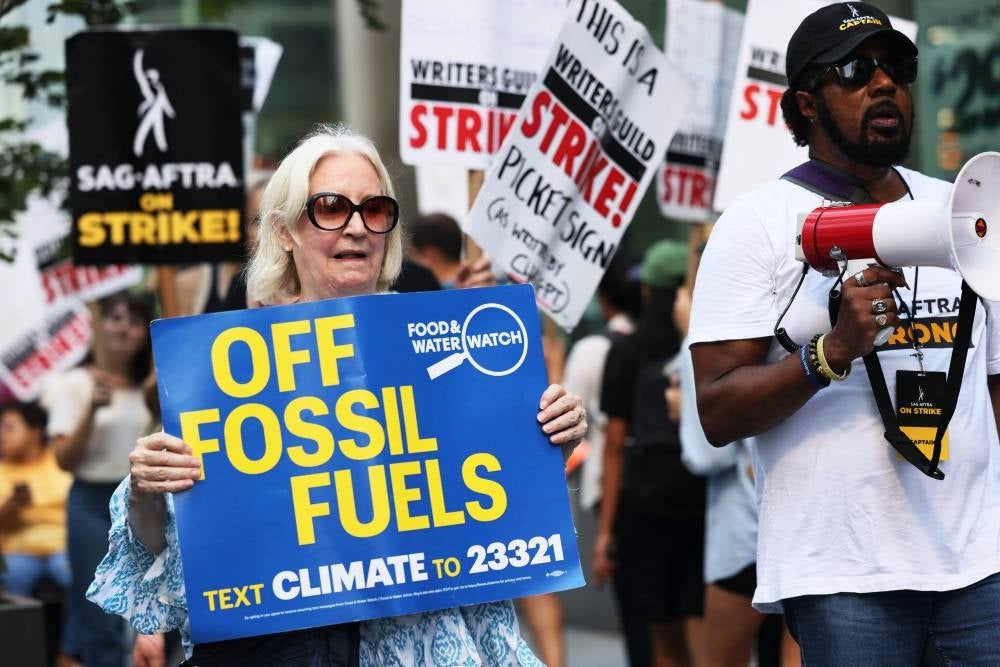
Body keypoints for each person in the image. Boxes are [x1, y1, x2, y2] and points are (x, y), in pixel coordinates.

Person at [87, 124, 588, 666]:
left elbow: (495, 501)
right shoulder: (228, 363)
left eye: (373, 210)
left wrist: (544, 443)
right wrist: (145, 487)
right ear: (283, 230)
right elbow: (165, 542)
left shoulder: (438, 345)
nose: (355, 228)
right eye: (329, 207)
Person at [689, 3, 1000, 664]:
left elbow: (992, 384)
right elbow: (716, 408)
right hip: (844, 577)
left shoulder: (963, 209)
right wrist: (828, 354)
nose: (884, 84)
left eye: (897, 67)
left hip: (982, 569)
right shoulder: (758, 225)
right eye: (857, 70)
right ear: (807, 103)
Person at [596, 239, 705, 667]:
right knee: (702, 633)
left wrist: (606, 531)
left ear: (649, 291)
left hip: (645, 506)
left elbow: (613, 448)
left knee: (661, 634)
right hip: (703, 504)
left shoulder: (626, 350)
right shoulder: (707, 349)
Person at [41, 291, 154, 667]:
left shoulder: (149, 386)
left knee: (145, 603)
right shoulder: (73, 384)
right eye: (115, 318)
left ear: (144, 333)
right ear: (98, 325)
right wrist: (91, 408)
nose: (123, 328)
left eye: (134, 320)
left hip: (141, 502)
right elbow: (63, 460)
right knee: (98, 609)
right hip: (91, 502)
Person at [0, 400, 78, 666]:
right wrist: (8, 509)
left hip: (62, 546)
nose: (2, 435)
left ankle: (69, 652)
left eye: (10, 427)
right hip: (17, 549)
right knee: (12, 583)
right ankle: (19, 655)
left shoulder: (61, 460)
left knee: (79, 577)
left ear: (35, 431)